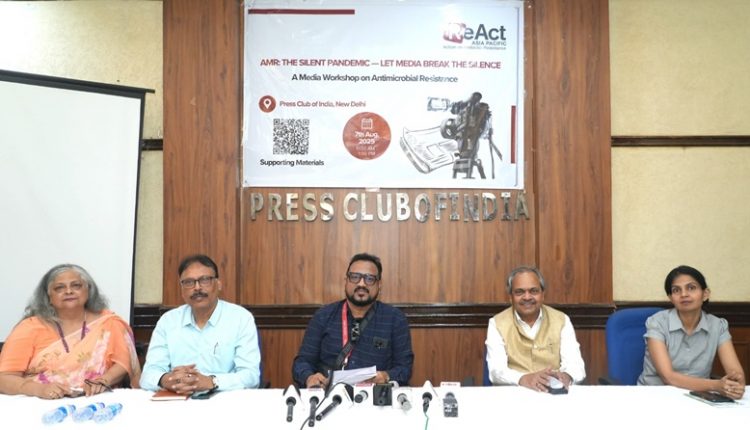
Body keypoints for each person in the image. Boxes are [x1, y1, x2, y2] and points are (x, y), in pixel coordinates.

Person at [0, 264, 141, 399]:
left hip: (96, 400)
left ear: (88, 290)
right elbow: (4, 378)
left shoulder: (109, 323)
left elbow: (123, 363)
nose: (69, 291)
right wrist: (39, 389)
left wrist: (103, 381)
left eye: (76, 285)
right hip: (41, 402)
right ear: (48, 296)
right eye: (59, 288)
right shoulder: (29, 328)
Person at [140, 254, 260, 394]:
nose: (197, 287)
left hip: (224, 400)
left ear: (218, 284)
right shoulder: (168, 321)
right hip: (179, 399)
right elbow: (147, 376)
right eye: (189, 282)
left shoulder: (240, 319)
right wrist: (166, 379)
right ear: (182, 289)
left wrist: (211, 381)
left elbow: (251, 377)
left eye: (204, 280)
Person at [292, 252, 414, 388]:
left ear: (379, 285)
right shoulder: (323, 316)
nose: (361, 284)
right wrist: (309, 377)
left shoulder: (395, 319)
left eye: (369, 279)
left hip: (374, 397)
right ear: (346, 281)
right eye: (355, 277)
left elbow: (404, 368)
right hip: (329, 395)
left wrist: (386, 376)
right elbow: (302, 363)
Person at [637, 265, 745, 399]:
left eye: (691, 288)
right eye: (676, 290)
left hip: (698, 397)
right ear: (671, 298)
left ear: (705, 294)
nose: (684, 294)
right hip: (655, 396)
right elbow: (668, 377)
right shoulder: (657, 322)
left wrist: (734, 385)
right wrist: (716, 385)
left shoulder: (718, 326)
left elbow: (736, 374)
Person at [485, 266, 586, 391]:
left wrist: (567, 376)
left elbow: (576, 365)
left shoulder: (561, 320)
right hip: (515, 394)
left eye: (533, 291)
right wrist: (524, 378)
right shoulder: (497, 323)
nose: (527, 297)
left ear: (543, 294)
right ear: (510, 297)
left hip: (553, 394)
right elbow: (496, 371)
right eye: (519, 292)